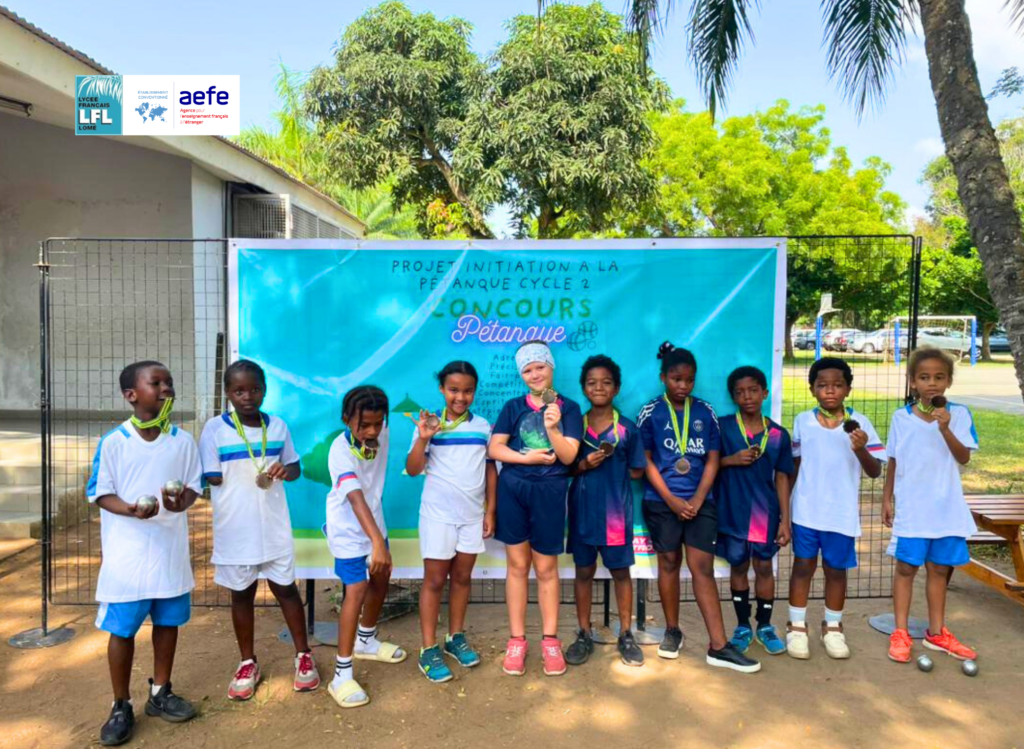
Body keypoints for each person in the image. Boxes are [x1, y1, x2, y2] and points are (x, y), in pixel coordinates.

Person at [87, 361, 202, 746]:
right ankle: (121, 704)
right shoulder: (115, 442)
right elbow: (100, 492)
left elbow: (192, 487)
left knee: (168, 623)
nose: (166, 388)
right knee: (122, 630)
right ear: (131, 395)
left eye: (169, 382)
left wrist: (180, 501)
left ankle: (160, 692)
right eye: (156, 383)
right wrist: (132, 509)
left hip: (169, 554)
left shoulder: (182, 441)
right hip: (128, 559)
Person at [199, 359, 318, 701]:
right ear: (227, 393)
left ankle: (303, 655)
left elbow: (294, 468)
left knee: (287, 590)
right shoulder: (214, 429)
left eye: (255, 389)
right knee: (242, 595)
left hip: (273, 527)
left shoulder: (277, 426)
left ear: (264, 390)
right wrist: (214, 472)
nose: (248, 396)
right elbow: (211, 476)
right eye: (239, 391)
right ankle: (247, 662)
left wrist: (284, 470)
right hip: (235, 530)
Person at [637, 342, 760, 673]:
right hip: (662, 502)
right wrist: (672, 500)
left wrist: (696, 499)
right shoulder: (650, 412)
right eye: (676, 379)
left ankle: (718, 645)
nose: (683, 385)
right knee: (668, 563)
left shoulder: (705, 412)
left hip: (700, 502)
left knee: (701, 566)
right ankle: (672, 631)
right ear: (663, 378)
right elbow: (646, 462)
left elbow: (712, 461)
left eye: (689, 380)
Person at [488, 340, 583, 677]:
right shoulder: (513, 407)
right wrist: (525, 458)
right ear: (521, 375)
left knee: (546, 568)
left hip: (550, 492)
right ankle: (517, 640)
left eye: (540, 366)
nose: (535, 374)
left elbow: (569, 456)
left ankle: (550, 641)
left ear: (551, 366)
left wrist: (553, 428)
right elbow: (495, 448)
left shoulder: (569, 408)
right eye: (527, 370)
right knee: (517, 566)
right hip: (513, 490)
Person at [883, 348, 979, 663]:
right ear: (913, 382)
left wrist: (945, 428)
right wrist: (886, 499)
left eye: (939, 377)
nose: (932, 383)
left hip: (946, 508)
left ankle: (937, 632)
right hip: (913, 509)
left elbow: (963, 457)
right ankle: (900, 632)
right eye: (924, 377)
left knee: (939, 568)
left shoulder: (959, 414)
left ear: (948, 381)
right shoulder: (901, 417)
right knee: (906, 568)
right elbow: (893, 460)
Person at [406, 361, 497, 683]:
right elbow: (413, 469)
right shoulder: (429, 424)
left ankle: (455, 638)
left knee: (462, 578)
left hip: (471, 517)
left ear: (475, 392)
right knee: (434, 581)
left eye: (468, 391)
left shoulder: (483, 426)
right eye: (454, 390)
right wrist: (423, 438)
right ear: (442, 389)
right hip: (437, 516)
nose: (461, 397)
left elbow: (490, 470)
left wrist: (490, 511)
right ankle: (428, 649)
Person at [787, 357, 884, 660]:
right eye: (822, 385)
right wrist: (784, 508)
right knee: (803, 566)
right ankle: (796, 626)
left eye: (837, 385)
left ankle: (832, 627)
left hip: (840, 513)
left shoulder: (860, 424)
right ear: (812, 389)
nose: (830, 391)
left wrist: (861, 448)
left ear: (848, 389)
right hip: (805, 510)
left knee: (836, 570)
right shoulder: (803, 421)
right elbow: (795, 464)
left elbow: (874, 471)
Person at [324, 386, 405, 709]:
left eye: (378, 423)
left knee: (382, 577)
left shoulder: (382, 432)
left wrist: (378, 541)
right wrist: (376, 543)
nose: (372, 431)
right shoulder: (339, 450)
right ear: (346, 419)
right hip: (348, 531)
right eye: (364, 425)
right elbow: (356, 499)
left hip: (375, 525)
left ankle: (366, 640)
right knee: (356, 589)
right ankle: (341, 675)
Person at [564, 355, 647, 668]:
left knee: (621, 572)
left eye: (606, 382)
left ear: (617, 388)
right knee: (583, 572)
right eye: (592, 382)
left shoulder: (627, 430)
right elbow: (565, 468)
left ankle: (626, 634)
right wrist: (583, 465)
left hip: (615, 515)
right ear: (584, 387)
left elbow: (638, 470)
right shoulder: (574, 427)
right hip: (583, 512)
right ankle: (583, 633)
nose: (599, 387)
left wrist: (615, 470)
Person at [716, 366, 794, 657]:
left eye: (752, 390)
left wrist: (785, 520)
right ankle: (742, 626)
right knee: (738, 566)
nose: (747, 397)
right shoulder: (723, 427)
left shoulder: (777, 435)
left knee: (763, 567)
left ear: (765, 393)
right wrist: (731, 459)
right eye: (740, 392)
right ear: (733, 396)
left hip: (765, 514)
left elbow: (782, 478)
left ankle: (764, 625)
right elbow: (708, 465)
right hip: (732, 511)